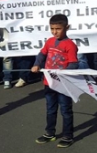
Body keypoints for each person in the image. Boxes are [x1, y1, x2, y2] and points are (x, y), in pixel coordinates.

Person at [31, 14, 78, 148]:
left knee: (65, 110)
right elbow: (41, 54)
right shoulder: (50, 41)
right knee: (50, 109)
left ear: (66, 27)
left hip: (63, 85)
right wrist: (37, 64)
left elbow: (74, 64)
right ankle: (49, 133)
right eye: (52, 28)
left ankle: (68, 136)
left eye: (58, 28)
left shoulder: (70, 45)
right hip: (49, 83)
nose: (55, 32)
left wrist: (64, 72)